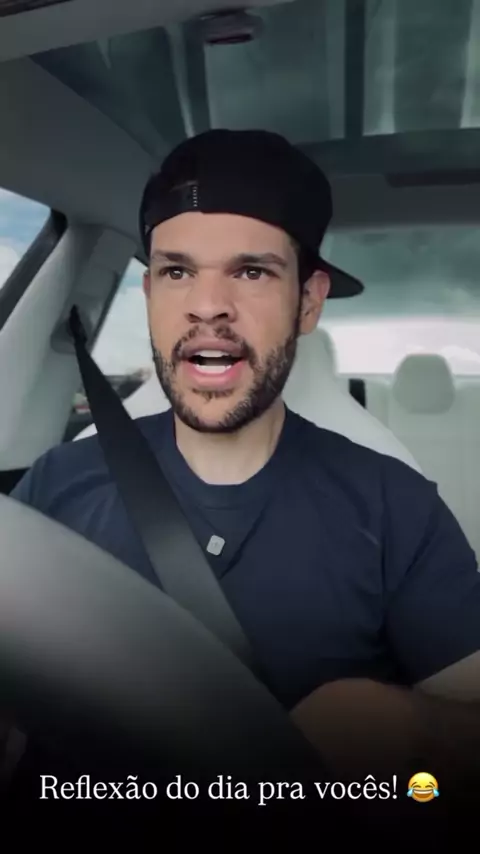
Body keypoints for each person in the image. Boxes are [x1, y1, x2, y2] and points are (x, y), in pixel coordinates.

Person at [7, 129, 480, 788]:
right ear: (150, 295)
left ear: (307, 302)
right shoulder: (55, 486)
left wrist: (409, 729)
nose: (207, 307)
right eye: (177, 272)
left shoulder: (396, 507)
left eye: (251, 271)